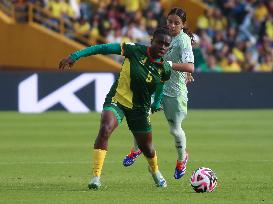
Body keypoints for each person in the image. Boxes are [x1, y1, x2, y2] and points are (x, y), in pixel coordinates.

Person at [59, 27, 194, 189]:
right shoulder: (134, 50)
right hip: (118, 100)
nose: (163, 47)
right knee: (105, 129)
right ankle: (95, 177)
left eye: (166, 45)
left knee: (147, 149)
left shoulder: (164, 68)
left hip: (140, 109)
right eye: (160, 43)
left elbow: (160, 86)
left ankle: (155, 171)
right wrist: (75, 55)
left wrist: (157, 103)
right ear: (152, 41)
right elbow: (103, 48)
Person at [122, 7, 195, 180]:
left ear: (183, 25)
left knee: (175, 130)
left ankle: (182, 158)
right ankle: (138, 148)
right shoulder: (164, 35)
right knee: (141, 117)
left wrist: (168, 64)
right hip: (156, 85)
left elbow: (190, 66)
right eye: (170, 21)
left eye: (177, 23)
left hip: (175, 91)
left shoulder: (183, 41)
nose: (172, 25)